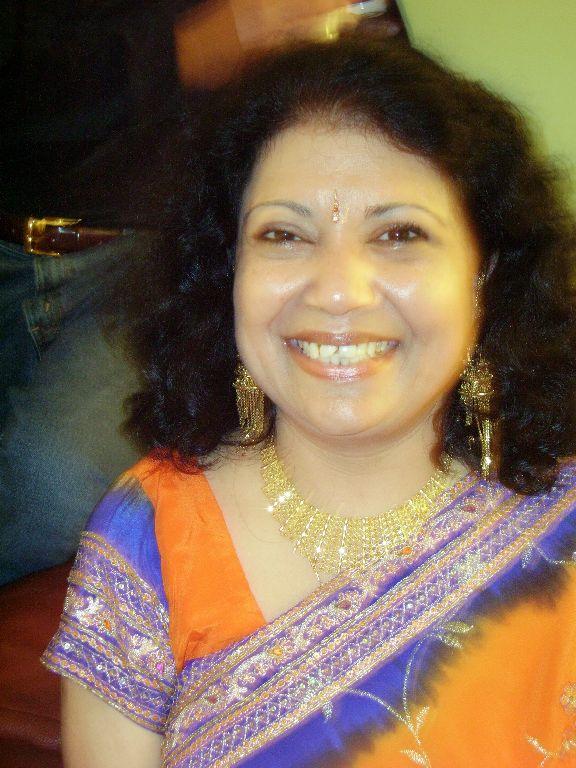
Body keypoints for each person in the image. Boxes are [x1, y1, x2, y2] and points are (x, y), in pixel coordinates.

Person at [42, 34, 576, 767]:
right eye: (285, 235)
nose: (338, 291)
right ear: (227, 273)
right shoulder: (150, 536)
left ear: (484, 275)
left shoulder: (560, 525)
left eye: (399, 234)